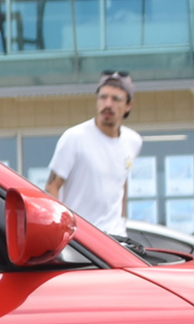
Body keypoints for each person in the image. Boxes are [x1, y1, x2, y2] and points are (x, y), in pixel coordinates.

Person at [44, 71, 142, 239]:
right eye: (103, 97)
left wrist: (121, 220)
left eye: (116, 99)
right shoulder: (75, 137)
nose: (107, 104)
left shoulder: (133, 141)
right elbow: (52, 187)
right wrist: (63, 231)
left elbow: (121, 181)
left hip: (116, 237)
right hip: (81, 240)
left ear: (128, 105)